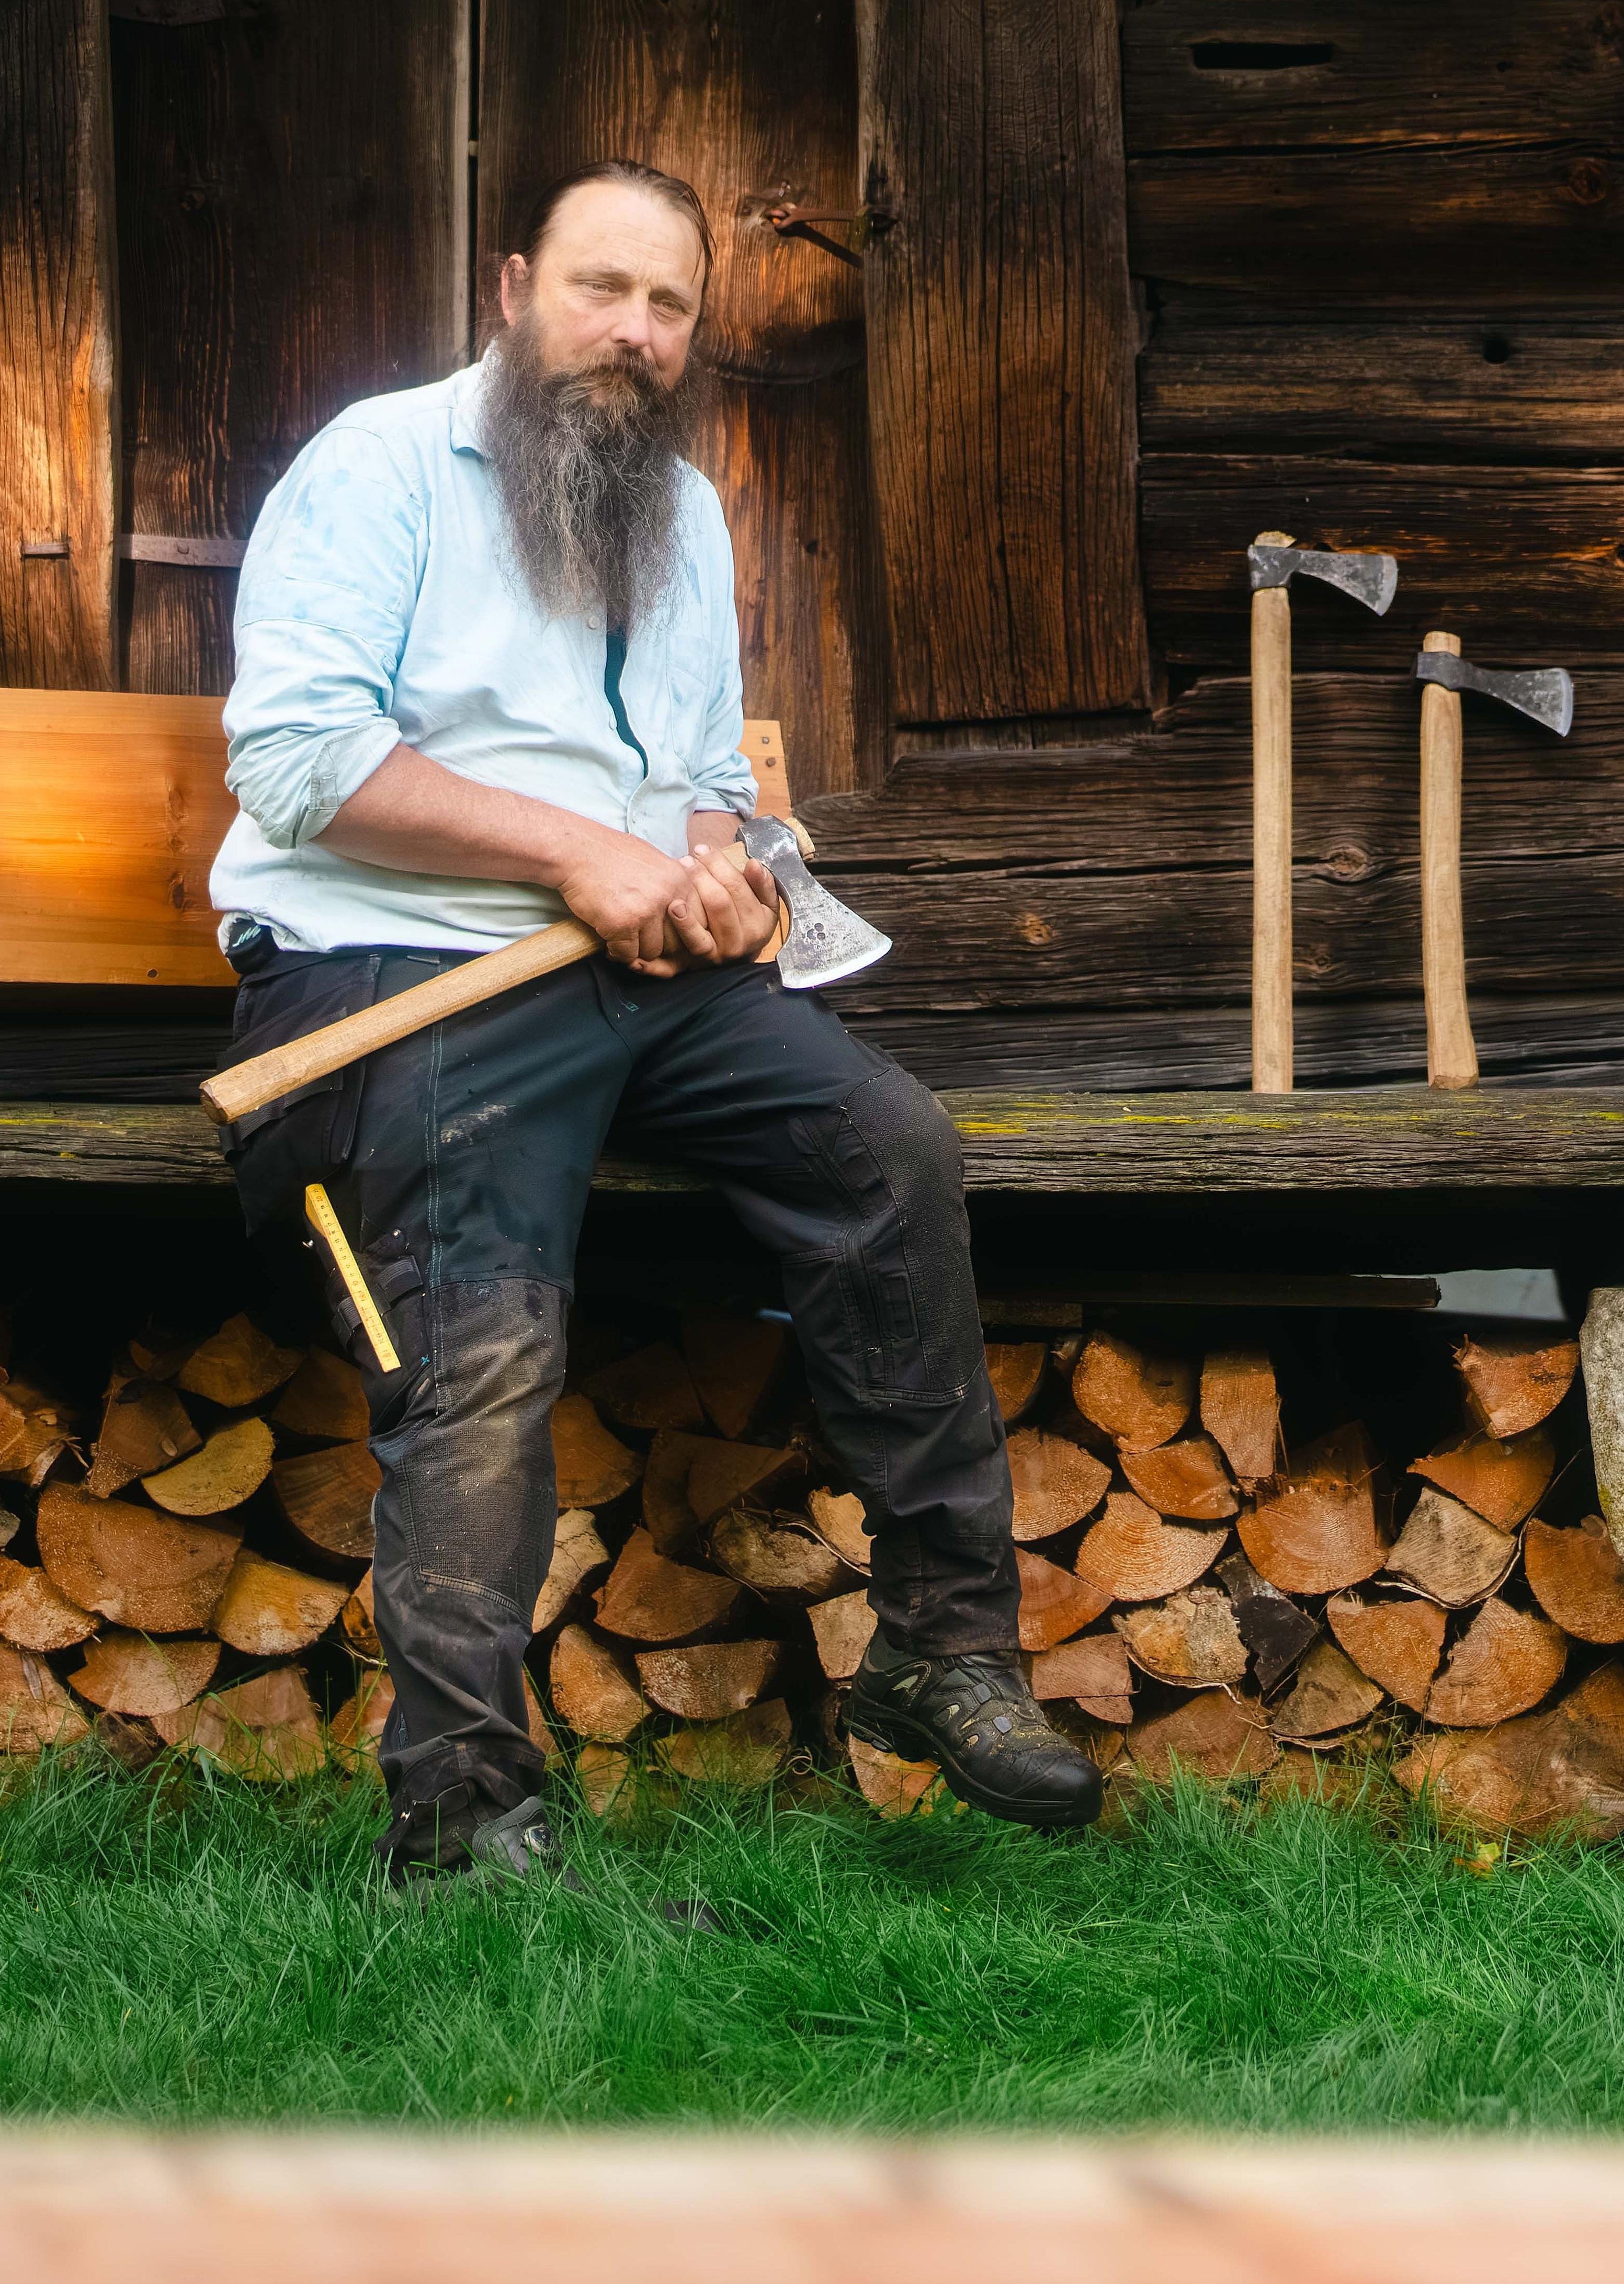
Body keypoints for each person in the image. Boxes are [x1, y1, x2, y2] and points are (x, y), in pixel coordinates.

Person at [207, 157, 1099, 1887]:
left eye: (670, 304)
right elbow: (299, 760)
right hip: (394, 966)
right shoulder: (379, 466)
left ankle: (943, 1648)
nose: (633, 331)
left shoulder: (677, 515)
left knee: (887, 1145)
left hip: (625, 972)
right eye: (599, 288)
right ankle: (463, 1815)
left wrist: (711, 861)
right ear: (511, 284)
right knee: (482, 1333)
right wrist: (584, 857)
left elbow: (690, 777)